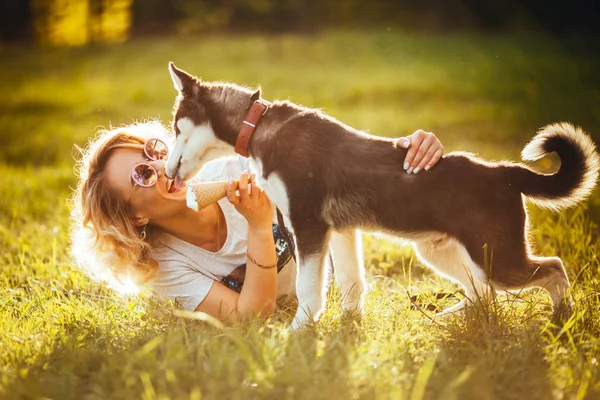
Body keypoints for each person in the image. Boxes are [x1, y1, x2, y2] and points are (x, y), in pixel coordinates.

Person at [70, 121, 444, 321]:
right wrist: (258, 226)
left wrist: (403, 150)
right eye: (142, 175)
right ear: (136, 216)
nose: (158, 165)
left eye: (152, 152)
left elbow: (338, 171)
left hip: (335, 272)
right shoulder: (167, 265)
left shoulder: (239, 167)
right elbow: (252, 316)